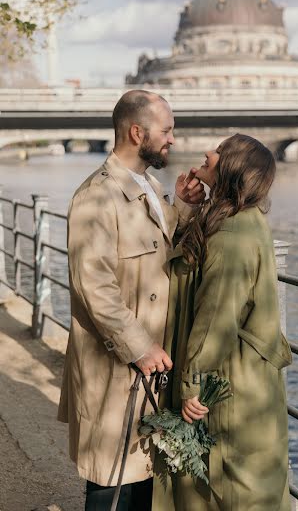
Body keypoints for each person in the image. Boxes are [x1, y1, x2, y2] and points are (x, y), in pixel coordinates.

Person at [57, 89, 205, 510]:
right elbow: (94, 286)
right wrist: (139, 347)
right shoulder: (95, 196)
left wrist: (184, 209)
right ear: (137, 132)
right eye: (167, 130)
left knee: (140, 482)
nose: (172, 139)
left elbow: (157, 250)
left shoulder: (150, 185)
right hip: (120, 365)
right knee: (112, 483)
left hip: (150, 366)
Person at [153, 133, 293, 510]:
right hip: (245, 378)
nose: (207, 153)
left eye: (217, 150)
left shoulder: (231, 234)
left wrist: (191, 386)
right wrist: (186, 207)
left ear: (231, 167)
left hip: (228, 382)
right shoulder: (240, 220)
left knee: (221, 485)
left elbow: (215, 319)